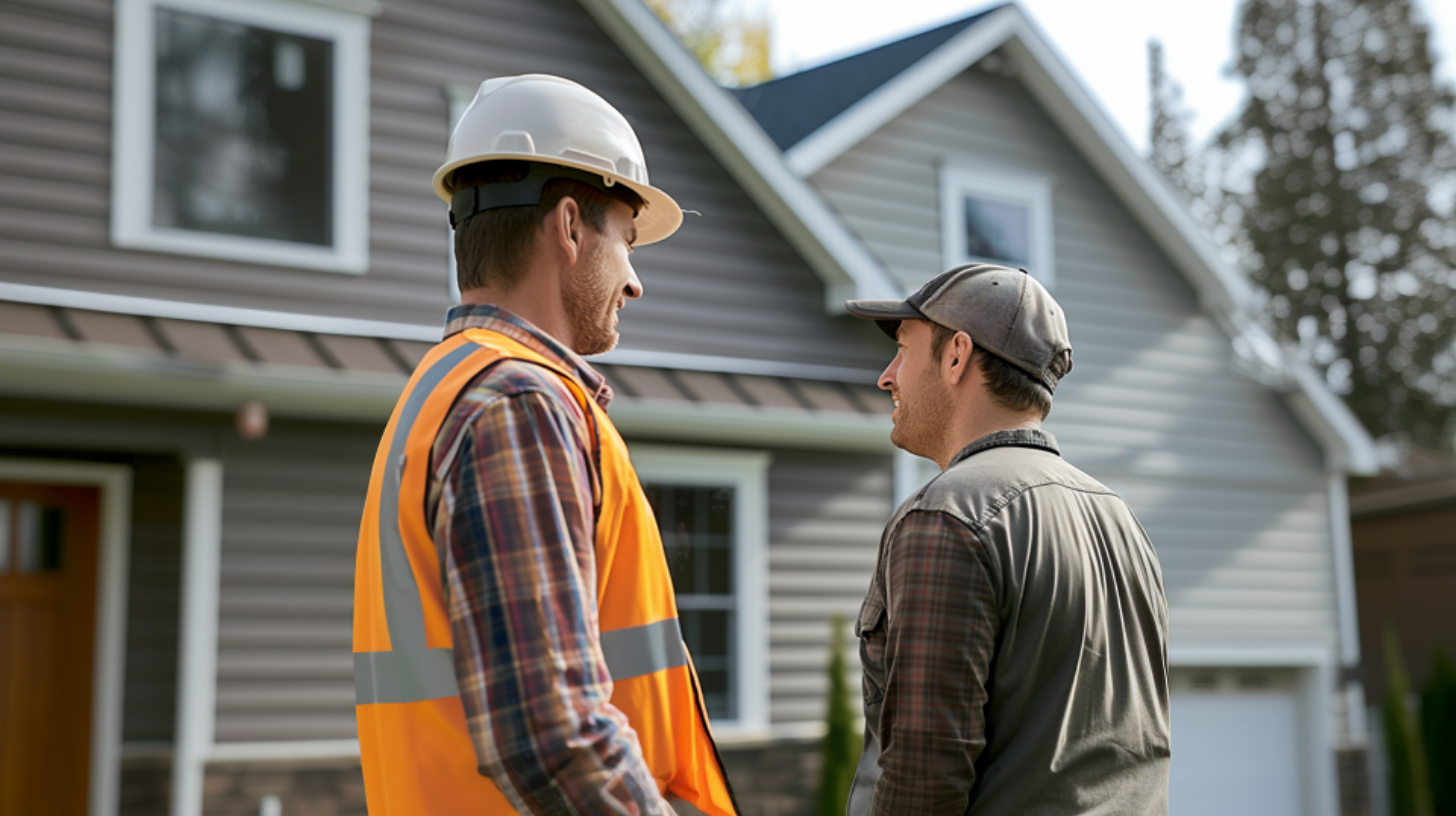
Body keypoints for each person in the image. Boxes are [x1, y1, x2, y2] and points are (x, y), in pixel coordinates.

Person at [352, 75, 737, 816]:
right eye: (627, 240)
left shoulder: (445, 393)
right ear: (569, 227)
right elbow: (549, 731)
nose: (634, 283)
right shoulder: (518, 405)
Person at [842, 263, 1171, 815]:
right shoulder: (1123, 522)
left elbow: (924, 779)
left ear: (955, 355)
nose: (887, 375)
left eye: (903, 348)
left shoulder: (947, 516)